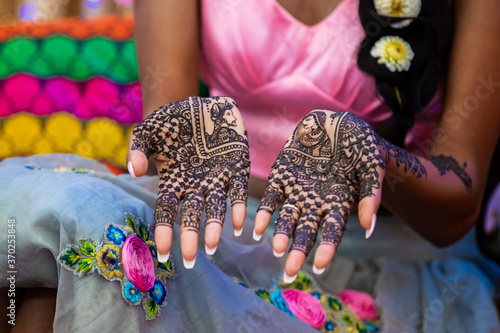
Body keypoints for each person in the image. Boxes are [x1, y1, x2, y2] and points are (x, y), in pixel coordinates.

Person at [1, 0, 500, 332]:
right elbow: (167, 129)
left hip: (391, 268)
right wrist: (195, 134)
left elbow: (457, 205)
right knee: (55, 252)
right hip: (229, 235)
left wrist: (363, 152)